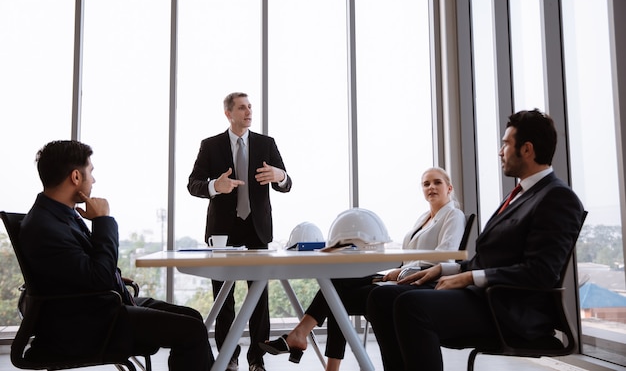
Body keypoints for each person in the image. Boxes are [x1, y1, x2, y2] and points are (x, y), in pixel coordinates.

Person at [366, 109, 586, 371]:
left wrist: (469, 278)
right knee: (380, 298)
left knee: (411, 305)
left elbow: (541, 273)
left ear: (526, 150)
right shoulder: (519, 195)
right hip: (483, 298)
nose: (500, 151)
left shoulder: (557, 198)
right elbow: (489, 259)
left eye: (506, 144)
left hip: (507, 309)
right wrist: (446, 268)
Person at [19, 140, 213, 371]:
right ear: (75, 177)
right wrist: (103, 221)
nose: (94, 180)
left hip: (96, 306)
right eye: (91, 172)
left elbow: (83, 270)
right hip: (89, 323)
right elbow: (98, 276)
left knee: (191, 316)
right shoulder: (46, 226)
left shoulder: (57, 215)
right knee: (191, 330)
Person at [259, 167, 465, 370]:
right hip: (402, 276)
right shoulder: (423, 219)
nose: (431, 187)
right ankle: (306, 342)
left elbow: (443, 258)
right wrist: (397, 270)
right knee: (336, 285)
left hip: (422, 282)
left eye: (437, 182)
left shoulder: (453, 216)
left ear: (449, 187)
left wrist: (400, 272)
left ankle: (301, 338)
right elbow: (409, 257)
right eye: (426, 183)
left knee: (336, 292)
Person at [188, 92, 292, 371]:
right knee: (224, 297)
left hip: (257, 229)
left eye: (250, 108)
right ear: (228, 113)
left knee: (258, 296)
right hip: (223, 231)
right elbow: (193, 184)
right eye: (242, 108)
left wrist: (279, 177)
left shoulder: (265, 143)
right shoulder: (210, 146)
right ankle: (229, 357)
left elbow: (287, 181)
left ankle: (257, 360)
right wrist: (214, 186)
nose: (248, 112)